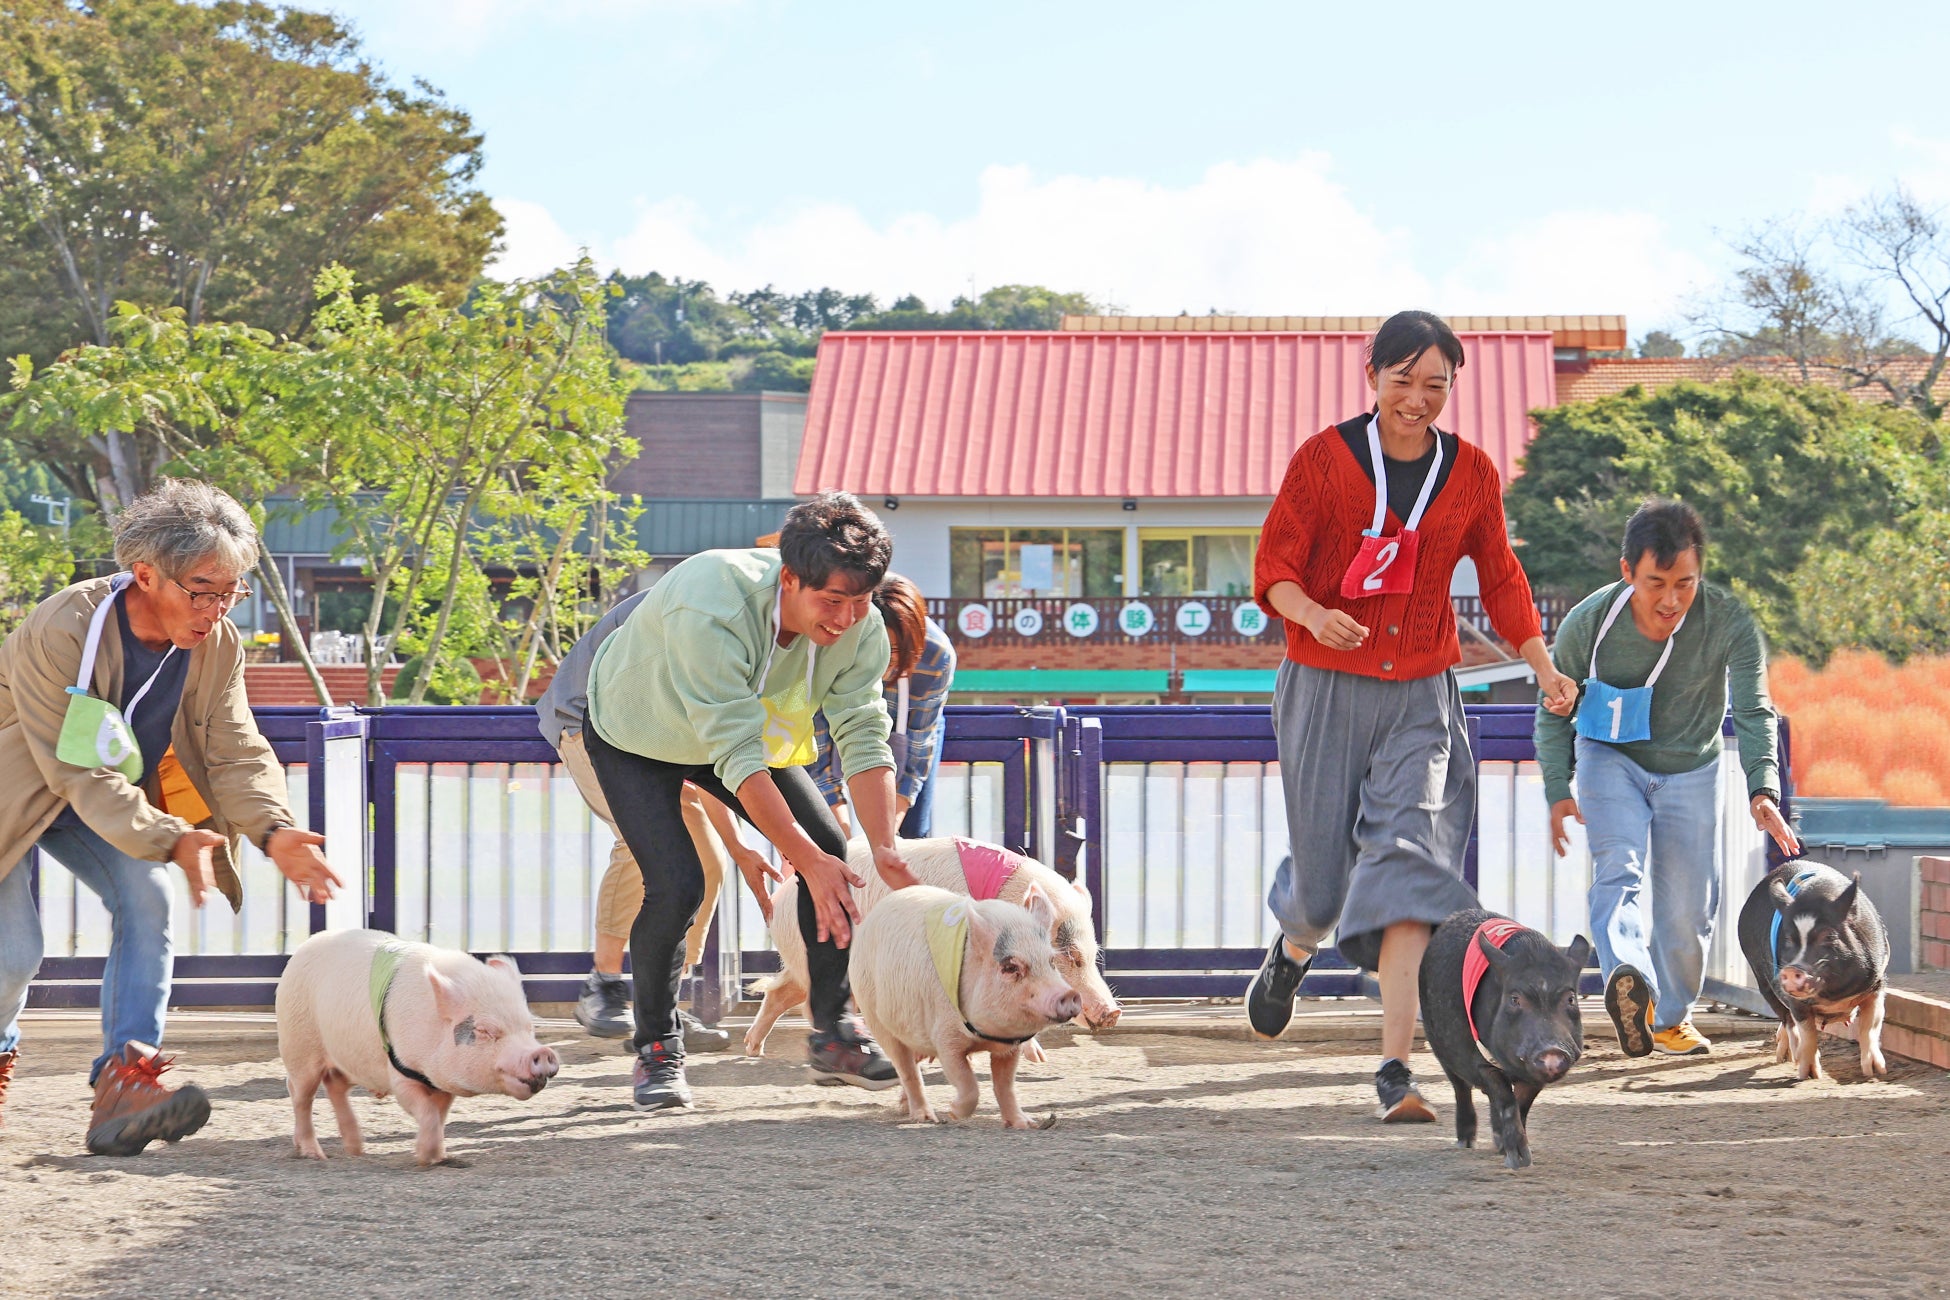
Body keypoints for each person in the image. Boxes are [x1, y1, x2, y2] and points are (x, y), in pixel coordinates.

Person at [1243, 311, 1578, 1122]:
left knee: (1405, 875)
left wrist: (1541, 662)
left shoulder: (1471, 475)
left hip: (1423, 696)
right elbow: (1273, 570)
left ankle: (1396, 1069)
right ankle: (1293, 949)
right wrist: (1314, 614)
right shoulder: (1323, 462)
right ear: (1373, 378)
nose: (1418, 400)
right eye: (1404, 381)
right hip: (1324, 682)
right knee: (1324, 894)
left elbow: (1500, 578)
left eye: (1436, 385)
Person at [0, 480, 344, 1153]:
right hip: (16, 788)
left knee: (149, 896)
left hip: (105, 797)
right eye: (202, 590)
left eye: (231, 592)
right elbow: (76, 769)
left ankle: (126, 1081)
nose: (216, 609)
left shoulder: (216, 646)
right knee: (15, 954)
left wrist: (273, 830)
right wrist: (170, 835)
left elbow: (235, 749)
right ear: (146, 573)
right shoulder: (62, 627)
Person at [581, 491, 916, 1111]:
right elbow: (736, 754)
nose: (846, 619)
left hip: (725, 733)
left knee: (831, 848)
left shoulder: (860, 625)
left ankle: (833, 1031)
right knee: (678, 882)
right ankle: (657, 1049)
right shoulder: (713, 602)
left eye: (860, 600)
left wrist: (884, 848)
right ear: (789, 578)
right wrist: (806, 864)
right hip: (636, 732)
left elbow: (864, 732)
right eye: (831, 601)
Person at [1536, 500, 1798, 1058]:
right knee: (1618, 873)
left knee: (1689, 909)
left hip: (1693, 768)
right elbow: (1553, 706)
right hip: (1610, 759)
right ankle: (1631, 981)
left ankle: (1667, 1018)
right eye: (1656, 583)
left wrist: (1762, 789)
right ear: (1627, 571)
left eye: (1685, 582)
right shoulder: (1588, 623)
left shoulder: (1729, 620)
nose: (1671, 600)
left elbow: (1754, 709)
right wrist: (1559, 788)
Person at [535, 591, 782, 1052]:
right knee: (642, 842)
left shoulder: (760, 631)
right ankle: (603, 987)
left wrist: (741, 849)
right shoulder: (715, 608)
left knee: (708, 861)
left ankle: (661, 1005)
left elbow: (715, 749)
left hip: (653, 731)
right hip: (586, 716)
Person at [811, 573, 956, 839]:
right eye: (872, 648)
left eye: (894, 651)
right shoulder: (825, 644)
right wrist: (845, 841)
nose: (881, 661)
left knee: (912, 834)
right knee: (824, 833)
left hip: (910, 723)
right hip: (833, 721)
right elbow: (817, 757)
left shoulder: (935, 655)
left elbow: (916, 753)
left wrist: (882, 843)